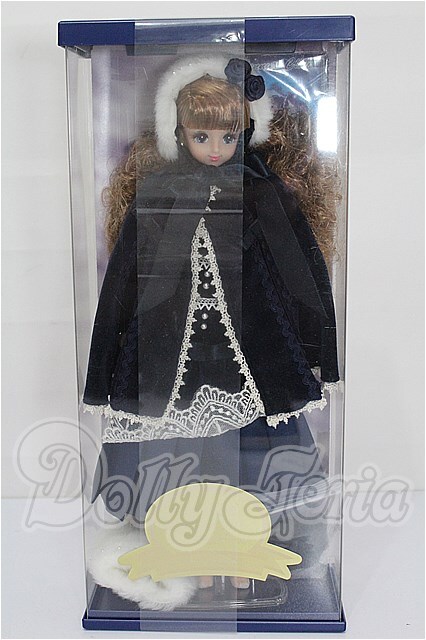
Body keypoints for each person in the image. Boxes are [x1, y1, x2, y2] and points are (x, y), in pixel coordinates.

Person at [83, 56, 339, 598]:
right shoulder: (158, 193)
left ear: (246, 132)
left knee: (256, 457)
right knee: (177, 459)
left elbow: (302, 273)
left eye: (228, 136)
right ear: (179, 134)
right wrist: (102, 373)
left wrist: (321, 350)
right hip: (168, 356)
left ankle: (247, 555)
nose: (216, 149)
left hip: (250, 356)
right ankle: (188, 555)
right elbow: (122, 284)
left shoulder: (262, 193)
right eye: (202, 136)